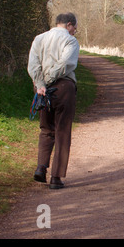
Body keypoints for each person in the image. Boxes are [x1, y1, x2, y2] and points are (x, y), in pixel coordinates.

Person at [27, 12, 79, 189]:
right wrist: (49, 80)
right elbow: (66, 64)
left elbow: (33, 65)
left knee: (46, 129)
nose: (74, 32)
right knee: (63, 132)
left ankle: (41, 168)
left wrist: (41, 84)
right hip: (63, 87)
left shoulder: (39, 38)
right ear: (69, 25)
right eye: (74, 29)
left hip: (42, 90)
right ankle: (56, 178)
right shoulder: (70, 41)